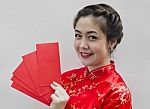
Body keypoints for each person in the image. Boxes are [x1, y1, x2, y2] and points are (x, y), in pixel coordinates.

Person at [49, 3, 132, 109]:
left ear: (112, 42)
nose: (82, 45)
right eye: (78, 35)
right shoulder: (66, 79)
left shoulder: (117, 93)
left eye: (92, 37)